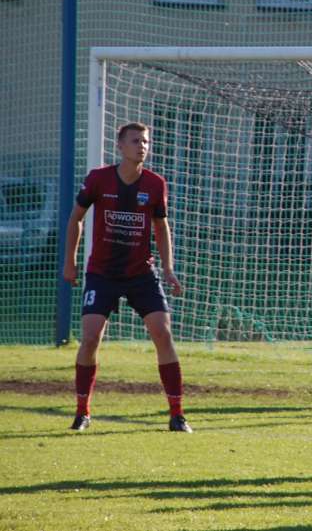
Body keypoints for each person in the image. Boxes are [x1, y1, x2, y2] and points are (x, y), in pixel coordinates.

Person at [63, 122, 191, 433]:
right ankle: (82, 413)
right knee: (91, 336)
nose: (142, 146)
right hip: (102, 273)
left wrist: (169, 269)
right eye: (135, 141)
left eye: (146, 141)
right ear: (120, 146)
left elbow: (161, 228)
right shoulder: (98, 179)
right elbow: (76, 219)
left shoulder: (155, 184)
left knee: (162, 333)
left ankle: (177, 415)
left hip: (141, 274)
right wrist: (70, 261)